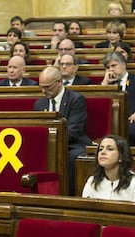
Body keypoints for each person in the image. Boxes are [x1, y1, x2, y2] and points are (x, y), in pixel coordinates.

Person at [34, 67, 91, 195]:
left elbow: (74, 130)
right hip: (47, 145)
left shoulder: (76, 99)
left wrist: (51, 141)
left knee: (72, 157)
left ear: (59, 82)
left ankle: (66, 194)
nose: (43, 91)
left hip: (71, 144)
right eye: (41, 87)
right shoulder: (39, 104)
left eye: (47, 87)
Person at [101, 52, 135, 146]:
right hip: (110, 121)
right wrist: (105, 83)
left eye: (113, 65)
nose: (110, 70)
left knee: (129, 132)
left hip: (132, 120)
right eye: (107, 67)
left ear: (123, 64)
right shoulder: (106, 84)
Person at [82, 134, 135, 203]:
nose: (103, 152)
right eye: (100, 149)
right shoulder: (92, 181)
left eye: (110, 149)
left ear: (121, 156)